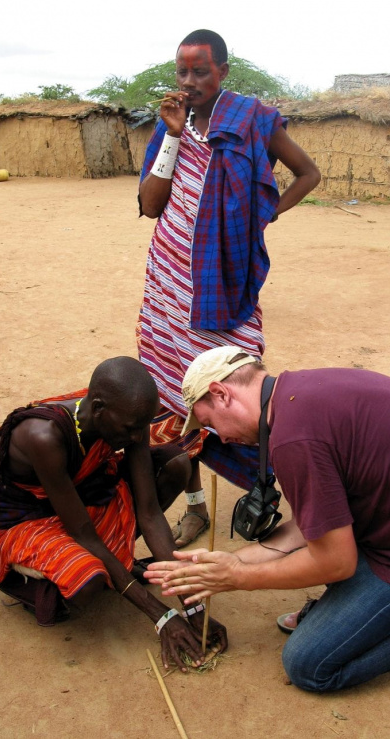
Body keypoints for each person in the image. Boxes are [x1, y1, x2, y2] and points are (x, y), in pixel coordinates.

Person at [145, 346, 390, 690]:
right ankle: (356, 611)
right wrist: (233, 560)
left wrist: (238, 577)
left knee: (310, 665)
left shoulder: (293, 439)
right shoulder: (296, 394)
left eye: (211, 423)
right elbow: (313, 524)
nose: (221, 437)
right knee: (325, 609)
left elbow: (336, 562)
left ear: (221, 393)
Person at [137, 29, 321, 547]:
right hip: (171, 279)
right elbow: (152, 204)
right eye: (182, 71)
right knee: (178, 393)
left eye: (200, 70)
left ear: (223, 71)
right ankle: (195, 505)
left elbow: (307, 173)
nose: (190, 81)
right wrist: (172, 135)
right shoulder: (170, 123)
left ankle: (264, 493)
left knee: (239, 387)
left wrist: (266, 216)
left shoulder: (254, 120)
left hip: (226, 284)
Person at [0, 357, 227, 671]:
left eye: (141, 428)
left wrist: (190, 603)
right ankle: (35, 584)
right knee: (86, 581)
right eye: (130, 430)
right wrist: (162, 616)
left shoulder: (129, 418)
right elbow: (83, 534)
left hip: (78, 497)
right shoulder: (44, 436)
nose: (136, 437)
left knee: (176, 464)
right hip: (21, 519)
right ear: (99, 408)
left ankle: (115, 570)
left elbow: (149, 511)